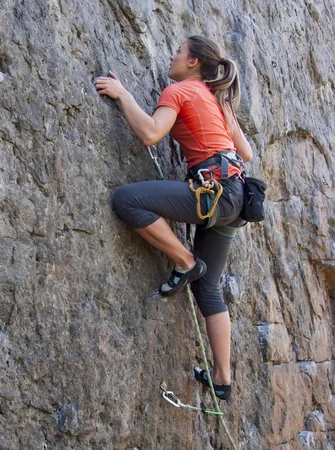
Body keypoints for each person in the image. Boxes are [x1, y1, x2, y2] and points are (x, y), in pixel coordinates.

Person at [93, 35, 254, 400]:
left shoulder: (180, 91)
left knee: (127, 200)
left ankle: (184, 261)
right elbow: (245, 151)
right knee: (209, 288)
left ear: (193, 62)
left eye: (178, 51)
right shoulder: (215, 100)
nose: (172, 55)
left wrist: (123, 95)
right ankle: (222, 379)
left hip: (214, 193)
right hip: (235, 196)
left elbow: (151, 133)